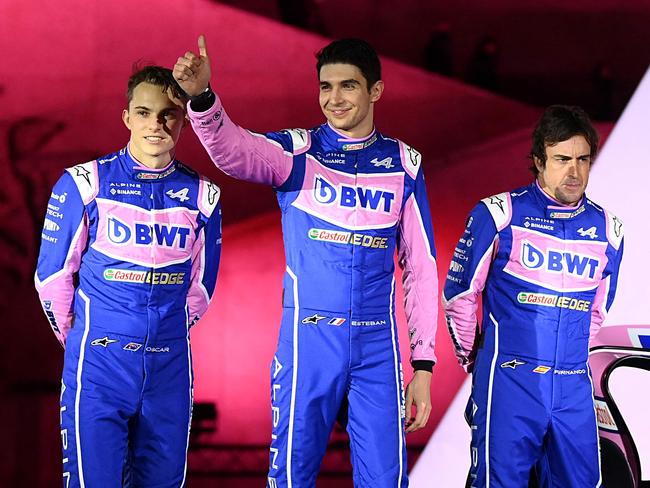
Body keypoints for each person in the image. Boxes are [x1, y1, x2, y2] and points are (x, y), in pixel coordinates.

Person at [173, 36, 438, 487]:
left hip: (378, 348)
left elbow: (421, 266)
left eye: (348, 86)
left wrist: (424, 365)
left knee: (388, 480)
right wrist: (202, 98)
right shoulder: (298, 153)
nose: (334, 99)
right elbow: (235, 152)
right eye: (325, 87)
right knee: (291, 476)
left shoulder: (404, 163)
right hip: (308, 341)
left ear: (375, 90)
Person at [34, 66, 222, 487]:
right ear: (127, 118)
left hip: (169, 369)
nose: (156, 124)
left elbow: (202, 288)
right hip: (99, 367)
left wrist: (159, 335)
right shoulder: (84, 183)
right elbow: (52, 279)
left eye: (168, 114)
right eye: (144, 112)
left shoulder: (204, 195)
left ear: (183, 120)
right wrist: (89, 338)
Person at [443, 105, 624, 487]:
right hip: (509, 381)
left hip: (573, 386)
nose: (573, 171)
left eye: (582, 159)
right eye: (561, 159)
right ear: (539, 161)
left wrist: (572, 355)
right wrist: (475, 360)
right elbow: (459, 295)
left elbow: (598, 310)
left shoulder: (609, 229)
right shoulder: (498, 214)